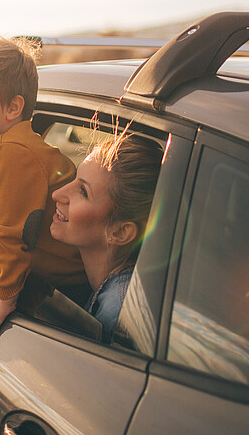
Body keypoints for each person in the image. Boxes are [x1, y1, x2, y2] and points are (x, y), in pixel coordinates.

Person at [0, 34, 86, 345]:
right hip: (44, 276)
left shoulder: (14, 152)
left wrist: (5, 297)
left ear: (12, 108)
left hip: (74, 280)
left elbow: (12, 231)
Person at [50, 131, 163, 342]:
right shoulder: (121, 292)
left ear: (119, 232)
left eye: (83, 191)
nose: (57, 194)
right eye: (75, 178)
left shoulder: (116, 315)